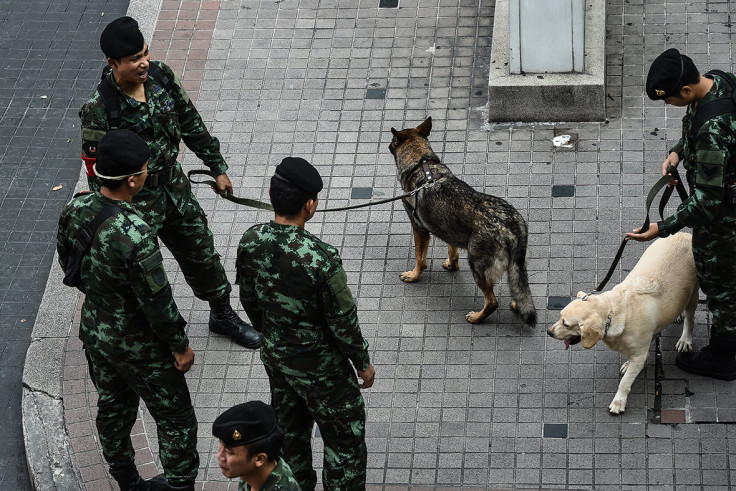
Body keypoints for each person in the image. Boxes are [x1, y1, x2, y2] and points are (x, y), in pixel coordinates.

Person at [79, 16, 261, 349]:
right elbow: (95, 172)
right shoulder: (98, 109)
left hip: (174, 189)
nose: (144, 62)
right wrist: (112, 220)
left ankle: (222, 315)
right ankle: (161, 335)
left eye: (145, 53)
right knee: (143, 273)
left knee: (202, 253)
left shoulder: (161, 77)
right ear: (113, 63)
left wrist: (217, 166)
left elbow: (191, 122)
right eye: (135, 59)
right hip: (133, 204)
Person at [57, 130, 198, 490]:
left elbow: (68, 263)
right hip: (141, 346)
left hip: (97, 333)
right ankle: (180, 485)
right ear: (133, 180)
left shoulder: (75, 208)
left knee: (114, 409)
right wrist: (179, 346)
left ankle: (127, 482)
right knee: (175, 417)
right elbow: (158, 303)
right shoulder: (136, 233)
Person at [235, 157, 376, 490]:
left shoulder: (250, 241)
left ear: (270, 192)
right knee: (345, 444)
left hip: (279, 360)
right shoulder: (321, 257)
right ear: (310, 205)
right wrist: (363, 363)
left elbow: (248, 299)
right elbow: (343, 322)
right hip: (324, 372)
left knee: (289, 435)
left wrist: (272, 333)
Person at [628, 48, 736, 380]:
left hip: (726, 221)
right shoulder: (721, 81)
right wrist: (678, 151)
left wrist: (662, 228)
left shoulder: (710, 132)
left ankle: (723, 356)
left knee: (722, 287)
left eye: (669, 99)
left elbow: (706, 203)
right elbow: (700, 125)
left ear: (687, 90)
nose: (669, 105)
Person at [212, 401, 301, 490]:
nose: (219, 456)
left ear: (259, 459)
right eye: (221, 444)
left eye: (230, 452)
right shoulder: (250, 472)